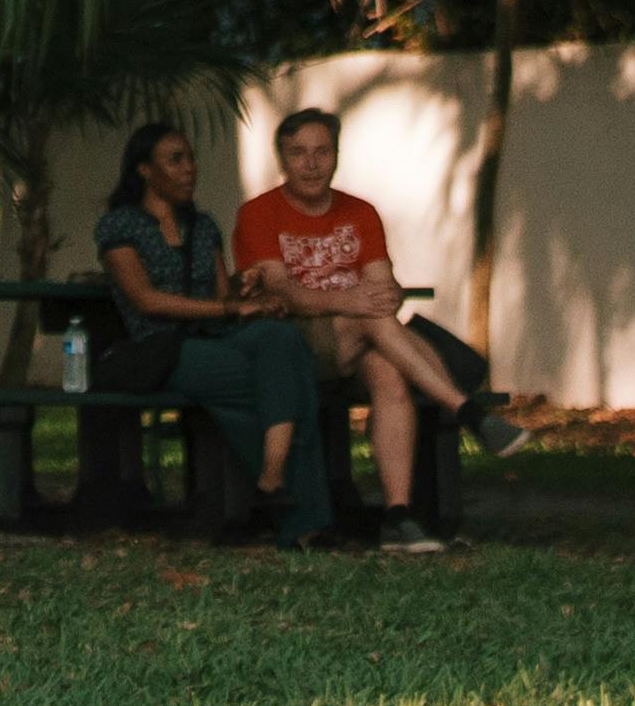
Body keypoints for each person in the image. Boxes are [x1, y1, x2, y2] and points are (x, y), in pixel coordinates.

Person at [88, 118, 337, 546]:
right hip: (162, 347)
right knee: (285, 381)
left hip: (217, 337)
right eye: (175, 160)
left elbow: (225, 296)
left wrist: (248, 289)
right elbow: (145, 300)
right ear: (144, 170)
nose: (189, 169)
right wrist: (228, 306)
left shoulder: (202, 227)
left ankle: (272, 478)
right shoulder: (120, 226)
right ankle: (303, 521)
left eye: (191, 159)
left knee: (284, 341)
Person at [233, 107, 474, 549]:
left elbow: (381, 284)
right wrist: (354, 302)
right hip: (298, 342)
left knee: (388, 370)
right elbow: (288, 295)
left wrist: (387, 295)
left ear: (337, 155)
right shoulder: (259, 213)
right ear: (282, 159)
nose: (311, 163)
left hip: (360, 340)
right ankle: (464, 409)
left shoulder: (360, 212)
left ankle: (398, 514)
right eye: (298, 153)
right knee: (374, 320)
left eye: (322, 152)